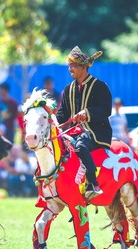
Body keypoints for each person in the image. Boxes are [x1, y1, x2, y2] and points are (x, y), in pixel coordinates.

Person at [56, 46, 112, 200]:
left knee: (80, 146)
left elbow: (106, 110)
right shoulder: (68, 89)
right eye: (69, 65)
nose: (70, 69)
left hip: (96, 132)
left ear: (83, 67)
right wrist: (52, 123)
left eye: (73, 66)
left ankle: (92, 184)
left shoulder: (100, 86)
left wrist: (87, 113)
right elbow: (63, 114)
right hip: (76, 132)